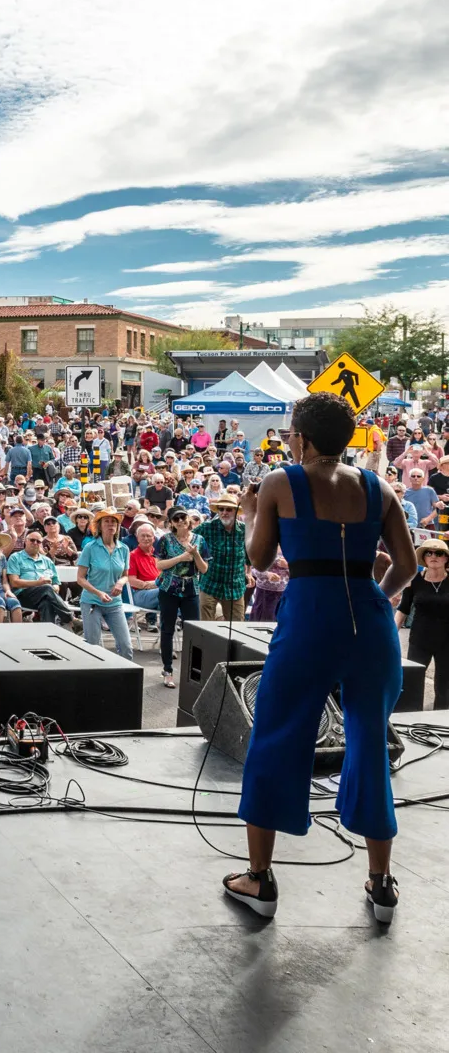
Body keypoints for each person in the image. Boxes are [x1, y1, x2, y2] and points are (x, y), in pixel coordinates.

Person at [226, 392, 415, 923]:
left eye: (291, 432)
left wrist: (248, 516)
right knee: (371, 741)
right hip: (371, 624)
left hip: (309, 619)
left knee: (277, 737)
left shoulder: (281, 482)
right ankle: (381, 885)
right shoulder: (379, 488)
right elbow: (406, 565)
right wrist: (375, 593)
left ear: (303, 439)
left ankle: (259, 880)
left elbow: (260, 559)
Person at [153, 507, 209, 688]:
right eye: (176, 519)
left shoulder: (199, 540)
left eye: (183, 517)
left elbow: (204, 569)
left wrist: (195, 554)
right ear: (171, 523)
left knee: (193, 631)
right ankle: (167, 670)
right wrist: (181, 557)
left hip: (191, 588)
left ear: (188, 519)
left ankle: (194, 671)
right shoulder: (165, 540)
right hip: (169, 588)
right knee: (167, 629)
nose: (180, 521)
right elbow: (159, 565)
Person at [396, 538, 449, 710]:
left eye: (439, 553)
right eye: (429, 553)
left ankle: (441, 723)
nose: (433, 556)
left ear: (446, 558)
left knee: (444, 687)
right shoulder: (414, 581)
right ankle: (411, 720)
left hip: (446, 642)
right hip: (419, 639)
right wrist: (389, 633)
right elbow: (403, 609)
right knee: (412, 682)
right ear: (424, 558)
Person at [76, 508, 135, 661]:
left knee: (126, 646)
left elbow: (125, 576)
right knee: (93, 645)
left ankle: (125, 682)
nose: (110, 525)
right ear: (100, 526)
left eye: (113, 521)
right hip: (92, 602)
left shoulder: (124, 549)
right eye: (106, 521)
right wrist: (98, 593)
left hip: (114, 603)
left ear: (118, 526)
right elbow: (80, 579)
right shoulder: (90, 547)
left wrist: (120, 584)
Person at [5, 529, 80, 629]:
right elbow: (14, 583)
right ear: (25, 541)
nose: (35, 543)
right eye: (32, 540)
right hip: (22, 595)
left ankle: (48, 634)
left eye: (38, 541)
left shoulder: (47, 560)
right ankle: (71, 619)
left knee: (47, 602)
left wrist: (55, 588)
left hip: (45, 594)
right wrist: (38, 583)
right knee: (46, 588)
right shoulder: (15, 557)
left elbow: (56, 582)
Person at [195, 494, 248, 622]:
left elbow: (249, 554)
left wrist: (250, 572)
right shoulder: (207, 527)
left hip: (234, 586)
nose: (224, 512)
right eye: (221, 509)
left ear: (235, 511)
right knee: (205, 629)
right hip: (210, 583)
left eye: (228, 509)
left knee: (237, 627)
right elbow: (189, 540)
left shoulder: (244, 529)